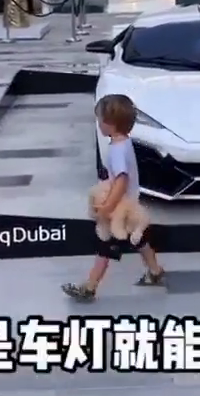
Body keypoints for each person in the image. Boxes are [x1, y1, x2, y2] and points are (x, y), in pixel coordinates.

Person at [62, 94, 165, 301]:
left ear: (110, 124)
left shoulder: (117, 150)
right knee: (139, 240)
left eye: (100, 120)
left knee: (105, 246)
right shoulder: (124, 143)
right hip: (130, 203)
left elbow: (121, 180)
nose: (98, 124)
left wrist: (108, 206)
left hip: (120, 207)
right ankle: (155, 271)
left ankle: (90, 286)